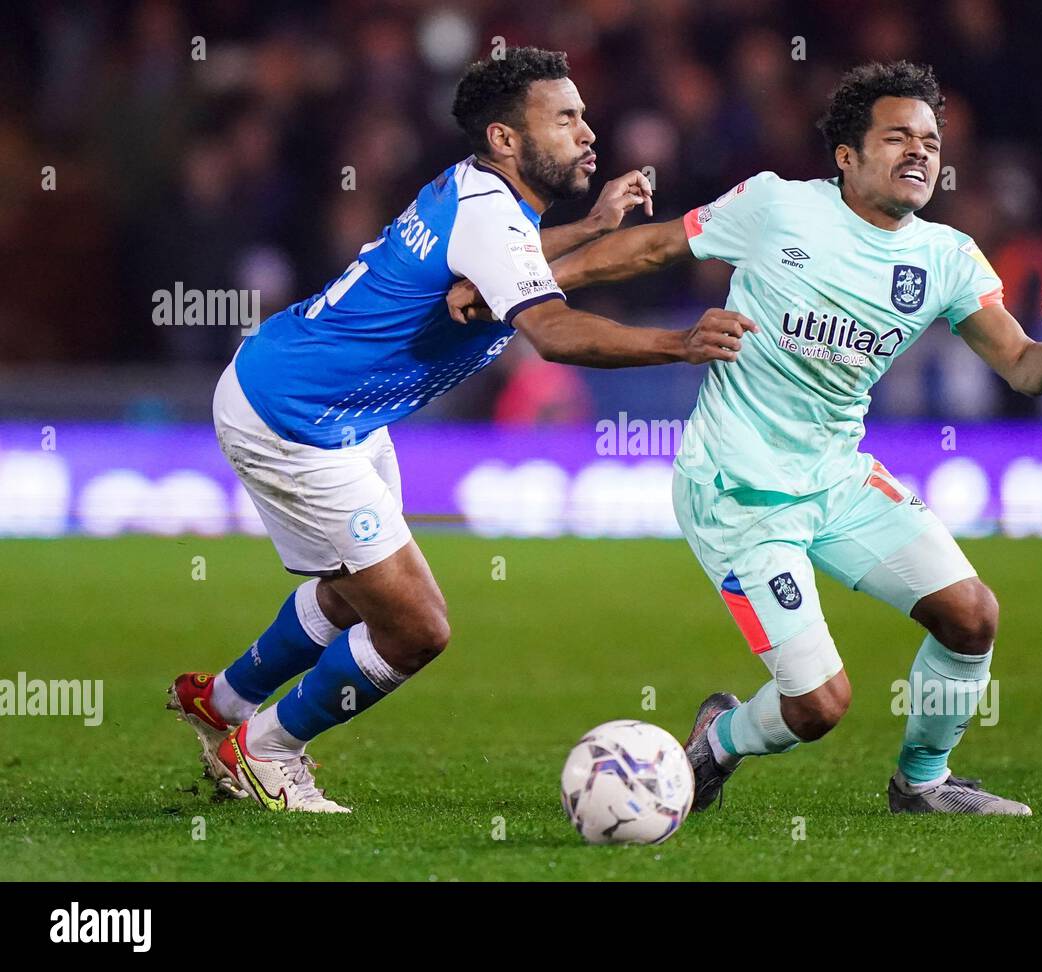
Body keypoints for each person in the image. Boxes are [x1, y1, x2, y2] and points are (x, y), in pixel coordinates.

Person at [451, 61, 1042, 815]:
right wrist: (522, 282)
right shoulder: (776, 207)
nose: (920, 152)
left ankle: (922, 783)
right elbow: (653, 248)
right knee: (820, 705)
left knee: (971, 615)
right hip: (738, 491)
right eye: (897, 137)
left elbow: (1023, 368)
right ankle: (718, 743)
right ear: (846, 156)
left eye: (930, 140)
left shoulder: (948, 258)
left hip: (837, 478)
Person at [166, 47, 753, 812]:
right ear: (507, 139)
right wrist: (680, 343)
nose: (588, 133)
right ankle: (267, 749)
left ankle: (229, 702)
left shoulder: (477, 196)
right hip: (297, 420)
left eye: (584, 115)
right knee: (416, 627)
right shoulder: (486, 215)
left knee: (353, 594)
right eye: (566, 118)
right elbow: (557, 333)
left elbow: (504, 269)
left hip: (317, 399)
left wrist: (593, 223)